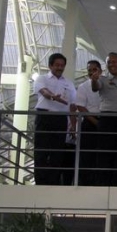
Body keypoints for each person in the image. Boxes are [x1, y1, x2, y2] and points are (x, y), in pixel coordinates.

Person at [33, 53, 76, 185]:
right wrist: (53, 97)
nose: (59, 68)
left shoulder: (68, 83)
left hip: (60, 119)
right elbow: (44, 92)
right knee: (41, 150)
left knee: (57, 152)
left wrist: (73, 124)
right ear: (50, 65)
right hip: (45, 117)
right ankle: (40, 182)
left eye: (62, 65)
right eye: (57, 65)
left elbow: (72, 105)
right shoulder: (42, 78)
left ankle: (53, 182)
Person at [91, 52, 117, 186]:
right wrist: (94, 79)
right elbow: (95, 87)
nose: (112, 64)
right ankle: (102, 184)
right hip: (107, 119)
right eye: (109, 62)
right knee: (104, 153)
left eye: (114, 62)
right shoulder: (102, 79)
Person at [74, 60, 102, 185]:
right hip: (90, 122)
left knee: (102, 154)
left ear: (100, 70)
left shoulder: (106, 83)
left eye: (94, 69)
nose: (91, 72)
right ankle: (86, 182)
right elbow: (80, 107)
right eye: (89, 70)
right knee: (87, 155)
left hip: (105, 120)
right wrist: (95, 122)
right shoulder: (83, 86)